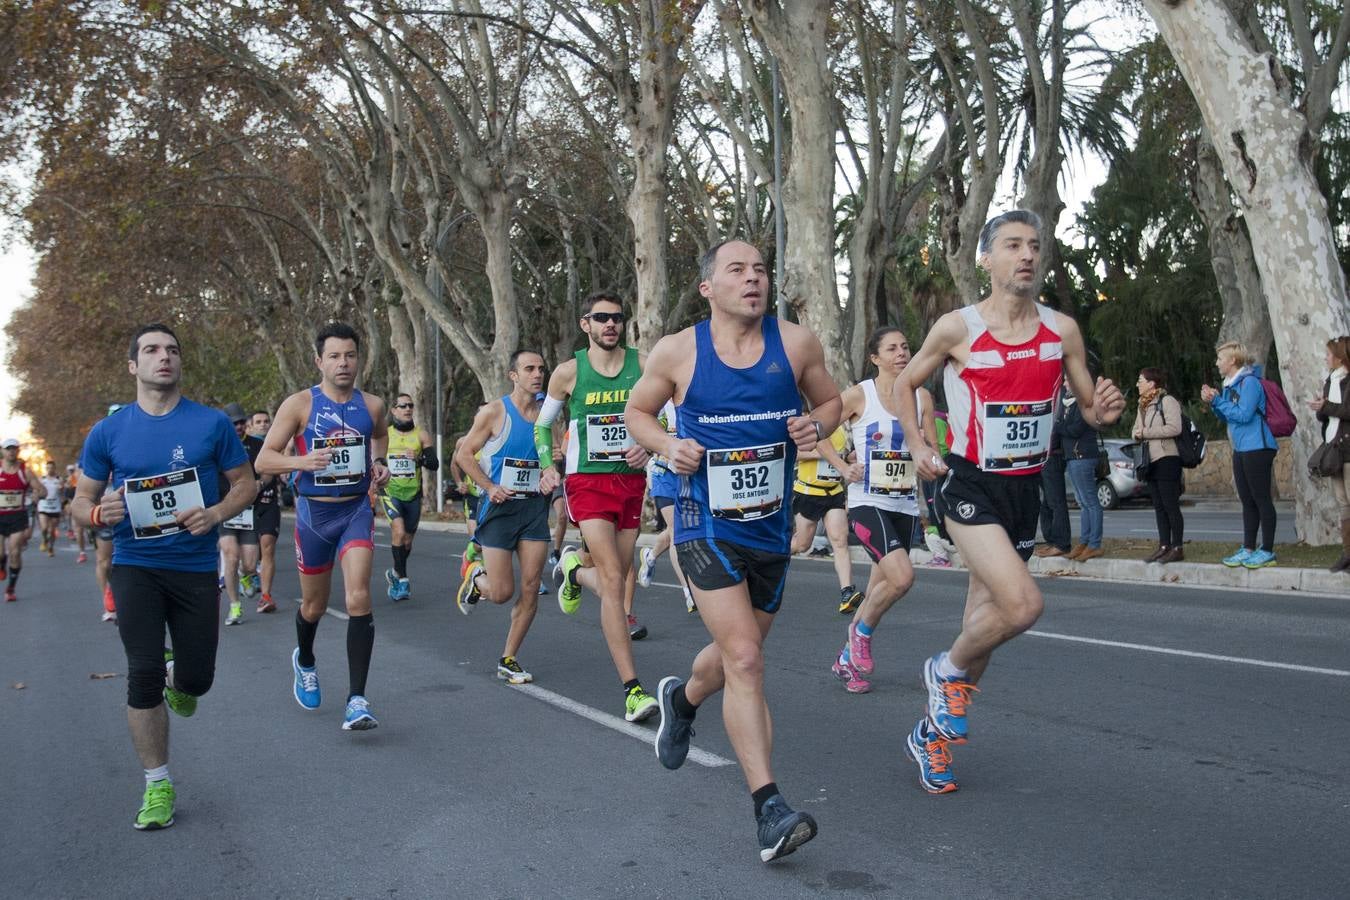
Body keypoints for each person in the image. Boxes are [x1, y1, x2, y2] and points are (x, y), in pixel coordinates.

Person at [627, 239, 842, 863]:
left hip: (770, 528)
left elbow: (828, 402)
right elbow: (639, 415)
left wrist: (816, 426)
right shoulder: (678, 351)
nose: (753, 280)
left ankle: (682, 698)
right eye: (737, 271)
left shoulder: (796, 345)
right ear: (708, 288)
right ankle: (769, 809)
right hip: (702, 522)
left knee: (733, 656)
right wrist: (668, 446)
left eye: (761, 271)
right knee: (745, 657)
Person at [896, 210, 1125, 794]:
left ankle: (932, 740)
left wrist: (1108, 409)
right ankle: (942, 671)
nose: (1026, 255)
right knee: (1022, 606)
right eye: (1012, 246)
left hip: (1027, 488)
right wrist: (921, 444)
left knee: (986, 625)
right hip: (971, 485)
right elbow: (905, 383)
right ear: (987, 259)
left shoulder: (1062, 330)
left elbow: (1089, 411)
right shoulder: (957, 327)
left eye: (1034, 245)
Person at [72, 323, 255, 830]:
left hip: (194, 567)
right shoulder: (108, 432)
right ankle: (157, 784)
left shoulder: (211, 424)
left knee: (197, 679)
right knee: (143, 672)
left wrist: (216, 514)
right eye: (151, 350)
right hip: (135, 565)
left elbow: (246, 484)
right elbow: (80, 501)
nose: (164, 357)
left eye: (172, 350)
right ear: (133, 366)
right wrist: (95, 515)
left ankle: (182, 679)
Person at [257, 322, 391, 731]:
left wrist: (379, 464)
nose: (343, 363)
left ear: (359, 359)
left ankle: (357, 700)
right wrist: (301, 462)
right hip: (314, 516)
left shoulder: (372, 405)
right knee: (313, 606)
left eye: (350, 355)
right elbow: (264, 460)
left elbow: (380, 438)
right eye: (334, 356)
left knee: (358, 598)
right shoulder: (299, 405)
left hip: (355, 511)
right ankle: (306, 659)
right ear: (319, 361)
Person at [535, 292, 659, 723]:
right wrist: (547, 465)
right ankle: (633, 690)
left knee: (619, 576)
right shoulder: (568, 373)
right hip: (586, 482)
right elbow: (542, 425)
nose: (611, 324)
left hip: (630, 482)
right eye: (601, 318)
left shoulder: (644, 366)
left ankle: (573, 570)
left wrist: (651, 445)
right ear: (585, 323)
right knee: (612, 581)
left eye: (617, 318)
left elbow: (670, 414)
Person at [831, 327, 932, 694]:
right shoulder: (861, 395)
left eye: (906, 346)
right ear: (875, 357)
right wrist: (844, 467)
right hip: (866, 503)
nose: (902, 353)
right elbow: (819, 427)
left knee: (879, 588)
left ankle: (846, 661)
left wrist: (933, 462)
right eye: (892, 348)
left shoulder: (921, 396)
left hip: (904, 504)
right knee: (902, 578)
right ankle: (860, 633)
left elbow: (931, 447)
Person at [454, 350, 551, 683]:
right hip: (499, 509)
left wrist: (552, 472)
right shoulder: (494, 411)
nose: (537, 374)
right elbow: (464, 454)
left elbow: (552, 456)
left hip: (534, 508)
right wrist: (489, 485)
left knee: (531, 585)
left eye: (540, 368)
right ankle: (475, 576)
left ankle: (508, 658)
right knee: (500, 593)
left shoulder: (548, 414)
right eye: (529, 369)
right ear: (514, 375)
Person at [1201, 341, 1278, 568]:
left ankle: (1267, 550)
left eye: (1220, 359)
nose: (1217, 363)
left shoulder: (1251, 383)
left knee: (1262, 499)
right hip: (1241, 449)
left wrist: (1218, 401)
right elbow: (1229, 416)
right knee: (1247, 500)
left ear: (1232, 360)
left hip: (1258, 447)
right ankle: (1248, 548)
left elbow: (1244, 415)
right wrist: (1215, 402)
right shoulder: (1230, 385)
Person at [787, 421, 858, 614]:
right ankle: (771, 558)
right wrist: (824, 454)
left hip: (833, 491)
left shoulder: (843, 426)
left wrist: (850, 457)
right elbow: (792, 453)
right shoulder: (806, 422)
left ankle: (847, 592)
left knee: (840, 541)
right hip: (808, 491)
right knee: (802, 545)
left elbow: (846, 456)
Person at [638, 401, 696, 614]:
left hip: (689, 472)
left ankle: (650, 555)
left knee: (678, 528)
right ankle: (688, 591)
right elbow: (643, 421)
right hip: (664, 471)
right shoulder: (659, 393)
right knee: (676, 530)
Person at [380, 393, 437, 601]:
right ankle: (403, 580)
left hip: (413, 494)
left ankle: (394, 572)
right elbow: (374, 459)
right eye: (402, 406)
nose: (407, 409)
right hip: (390, 491)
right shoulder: (385, 435)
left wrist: (419, 458)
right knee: (399, 530)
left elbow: (435, 464)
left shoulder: (421, 436)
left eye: (410, 405)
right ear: (394, 410)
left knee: (407, 542)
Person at [1131, 368, 1185, 563]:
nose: (1138, 384)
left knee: (1171, 505)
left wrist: (1144, 432)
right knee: (1159, 506)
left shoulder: (1167, 401)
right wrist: (1139, 433)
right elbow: (1135, 430)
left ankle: (1177, 546)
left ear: (1152, 383)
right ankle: (1164, 545)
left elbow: (1174, 428)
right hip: (1149, 461)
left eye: (1140, 380)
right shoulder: (1142, 405)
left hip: (1167, 458)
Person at [217, 403, 264, 626]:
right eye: (233, 423)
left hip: (247, 510)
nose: (238, 426)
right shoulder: (216, 447)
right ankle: (235, 606)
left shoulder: (255, 445)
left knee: (248, 562)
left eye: (240, 422)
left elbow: (266, 470)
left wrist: (260, 483)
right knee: (230, 556)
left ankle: (247, 574)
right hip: (224, 510)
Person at [1310, 335, 1350, 572]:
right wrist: (1320, 407)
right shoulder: (1331, 380)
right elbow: (1325, 416)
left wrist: (1325, 407)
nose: (1325, 358)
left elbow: (1347, 410)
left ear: (1340, 356)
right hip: (1333, 448)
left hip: (1348, 450)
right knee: (1343, 504)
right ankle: (1347, 552)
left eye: (1328, 354)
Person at [1060, 387, 1103, 560]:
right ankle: (1085, 541)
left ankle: (1095, 544)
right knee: (1083, 501)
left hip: (1082, 456)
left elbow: (1075, 429)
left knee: (1090, 502)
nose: (1064, 383)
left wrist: (1057, 426)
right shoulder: (1069, 404)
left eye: (1068, 380)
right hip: (1073, 457)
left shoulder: (1084, 403)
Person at [246, 410, 282, 612]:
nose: (263, 425)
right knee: (249, 558)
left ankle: (266, 596)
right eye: (258, 421)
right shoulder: (242, 445)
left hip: (267, 502)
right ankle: (247, 573)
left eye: (266, 421)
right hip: (244, 505)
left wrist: (260, 483)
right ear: (251, 425)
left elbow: (273, 468)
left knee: (267, 546)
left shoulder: (276, 443)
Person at [1033, 385, 1071, 557]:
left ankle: (1061, 543)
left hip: (1052, 455)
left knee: (1056, 501)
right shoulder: (1042, 394)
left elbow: (1057, 426)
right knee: (1046, 502)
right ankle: (1051, 539)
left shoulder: (1058, 396)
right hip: (1040, 455)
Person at [0, 438, 33, 601]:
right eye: (8, 449)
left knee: (14, 551)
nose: (11, 451)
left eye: (14, 449)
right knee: (0, 553)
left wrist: (38, 494)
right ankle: (2, 565)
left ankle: (11, 588)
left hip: (17, 516)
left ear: (18, 451)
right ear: (3, 451)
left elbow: (40, 489)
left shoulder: (25, 471)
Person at [37, 460, 63, 556]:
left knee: (52, 530)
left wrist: (62, 488)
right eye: (48, 468)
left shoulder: (59, 479)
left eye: (52, 468)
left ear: (54, 468)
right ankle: (44, 540)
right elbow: (38, 491)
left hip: (55, 508)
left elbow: (62, 493)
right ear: (46, 469)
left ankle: (51, 548)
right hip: (43, 507)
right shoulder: (42, 479)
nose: (50, 470)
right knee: (44, 528)